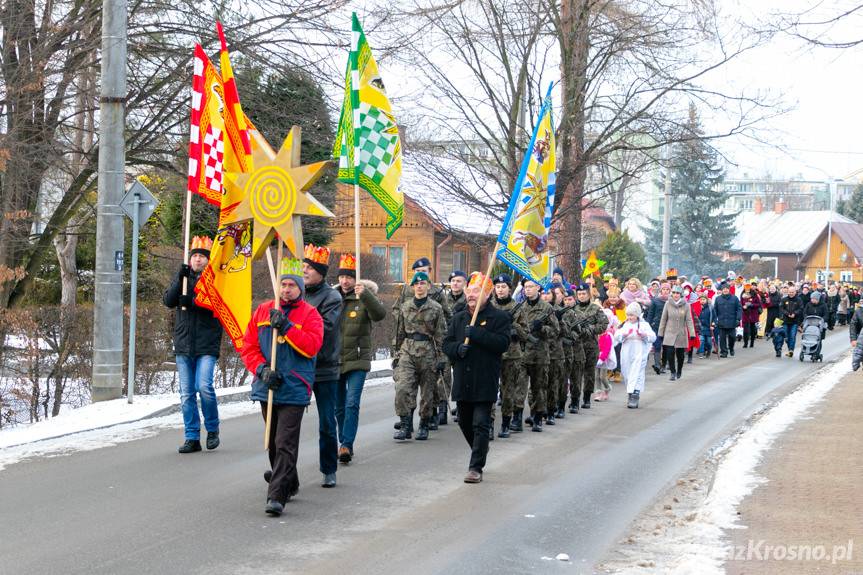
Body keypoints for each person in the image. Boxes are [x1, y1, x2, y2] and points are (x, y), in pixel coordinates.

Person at [241, 258, 323, 516]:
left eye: (291, 285)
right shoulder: (263, 311)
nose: (286, 289)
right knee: (273, 442)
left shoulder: (310, 314)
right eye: (283, 284)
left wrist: (286, 327)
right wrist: (261, 370)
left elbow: (312, 346)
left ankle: (276, 495)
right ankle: (290, 481)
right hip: (268, 385)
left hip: (295, 386)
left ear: (300, 288)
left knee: (285, 441)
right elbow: (249, 346)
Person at [443, 273, 510, 483]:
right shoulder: (458, 318)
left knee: (481, 423)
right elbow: (446, 343)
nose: (471, 295)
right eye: (469, 291)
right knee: (464, 422)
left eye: (477, 291)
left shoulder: (499, 317)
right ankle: (480, 448)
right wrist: (457, 349)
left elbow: (502, 344)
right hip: (463, 378)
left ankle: (475, 467)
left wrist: (477, 334)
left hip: (485, 378)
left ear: (487, 294)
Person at [163, 236, 223, 454]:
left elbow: (217, 304)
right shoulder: (184, 277)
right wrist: (180, 279)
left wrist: (194, 302)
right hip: (184, 343)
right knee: (187, 393)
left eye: (202, 256)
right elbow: (168, 300)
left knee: (204, 386)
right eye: (195, 256)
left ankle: (212, 428)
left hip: (207, 343)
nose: (198, 259)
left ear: (208, 260)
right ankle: (192, 436)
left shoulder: (215, 279)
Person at [334, 253, 387, 464]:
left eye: (349, 277)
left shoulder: (364, 297)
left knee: (351, 403)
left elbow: (379, 315)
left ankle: (346, 444)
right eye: (342, 277)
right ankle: (344, 442)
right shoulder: (333, 298)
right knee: (338, 407)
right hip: (335, 359)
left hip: (358, 358)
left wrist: (365, 295)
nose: (345, 281)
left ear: (356, 279)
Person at [302, 244, 343, 488]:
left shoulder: (332, 298)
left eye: (309, 267)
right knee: (288, 423)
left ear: (320, 271)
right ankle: (285, 473)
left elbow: (324, 330)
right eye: (303, 266)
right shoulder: (296, 293)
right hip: (299, 367)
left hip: (325, 367)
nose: (304, 271)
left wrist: (293, 327)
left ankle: (329, 469)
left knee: (327, 421)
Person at [392, 271, 447, 441]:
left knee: (427, 391)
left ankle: (424, 423)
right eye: (416, 284)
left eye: (423, 284)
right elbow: (399, 332)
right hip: (407, 349)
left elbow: (441, 334)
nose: (419, 286)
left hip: (428, 351)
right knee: (402, 388)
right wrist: (396, 355)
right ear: (413, 287)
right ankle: (405, 424)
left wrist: (442, 358)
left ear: (428, 286)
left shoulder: (436, 308)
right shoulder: (405, 306)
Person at [490, 274, 529, 437]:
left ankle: (506, 423)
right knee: (490, 390)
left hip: (511, 355)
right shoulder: (489, 306)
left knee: (508, 391)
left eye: (503, 287)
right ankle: (489, 424)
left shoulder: (518, 308)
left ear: (509, 289)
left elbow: (525, 333)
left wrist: (513, 326)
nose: (500, 290)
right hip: (491, 352)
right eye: (498, 287)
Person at [520, 278, 559, 431]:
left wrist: (542, 328)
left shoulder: (547, 308)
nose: (528, 289)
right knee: (519, 388)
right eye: (526, 287)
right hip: (522, 353)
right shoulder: (520, 307)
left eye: (531, 286)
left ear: (538, 288)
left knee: (539, 387)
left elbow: (555, 330)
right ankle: (516, 417)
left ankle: (537, 417)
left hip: (540, 354)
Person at [562, 282, 608, 410]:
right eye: (579, 294)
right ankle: (574, 399)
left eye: (584, 294)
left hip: (590, 346)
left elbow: (603, 325)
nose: (581, 296)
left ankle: (587, 398)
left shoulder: (595, 309)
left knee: (589, 374)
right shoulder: (573, 309)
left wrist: (590, 328)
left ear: (589, 294)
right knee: (575, 375)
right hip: (576, 345)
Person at [438, 270, 467, 425]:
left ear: (465, 283)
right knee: (444, 376)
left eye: (459, 281)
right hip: (446, 342)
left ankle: (462, 410)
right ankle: (442, 411)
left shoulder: (469, 300)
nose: (455, 284)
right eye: (453, 281)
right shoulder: (442, 299)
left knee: (461, 376)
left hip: (461, 343)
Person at [615, 302, 656, 409]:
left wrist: (644, 335)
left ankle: (635, 395)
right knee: (627, 372)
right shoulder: (625, 324)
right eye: (628, 315)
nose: (630, 317)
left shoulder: (644, 325)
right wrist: (623, 335)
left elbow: (653, 337)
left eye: (632, 315)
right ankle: (630, 393)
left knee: (637, 372)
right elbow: (617, 335)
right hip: (627, 352)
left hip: (639, 351)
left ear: (637, 315)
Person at [658, 285, 696, 381]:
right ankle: (673, 372)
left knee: (680, 355)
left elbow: (689, 320)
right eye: (674, 293)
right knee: (670, 353)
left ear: (681, 294)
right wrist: (660, 333)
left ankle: (679, 370)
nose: (675, 295)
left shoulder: (686, 305)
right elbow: (663, 319)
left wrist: (692, 333)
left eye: (677, 293)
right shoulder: (667, 304)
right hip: (669, 332)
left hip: (681, 333)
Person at [594, 308, 618, 402]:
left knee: (602, 377)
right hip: (596, 357)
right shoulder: (597, 334)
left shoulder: (607, 335)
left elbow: (607, 349)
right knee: (596, 376)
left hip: (604, 359)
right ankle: (598, 392)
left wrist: (602, 358)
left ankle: (607, 388)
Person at [713, 282, 742, 358]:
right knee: (722, 338)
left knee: (732, 337)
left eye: (726, 289)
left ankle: (731, 348)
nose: (725, 290)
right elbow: (715, 310)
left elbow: (739, 309)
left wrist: (738, 319)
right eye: (724, 289)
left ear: (729, 289)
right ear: (721, 290)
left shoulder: (735, 298)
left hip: (732, 322)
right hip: (721, 322)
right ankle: (724, 352)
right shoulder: (718, 299)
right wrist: (714, 320)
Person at [646, 283, 670, 373]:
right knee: (657, 345)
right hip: (657, 325)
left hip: (668, 326)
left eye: (667, 289)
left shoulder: (672, 301)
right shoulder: (655, 301)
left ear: (670, 291)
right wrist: (648, 325)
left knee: (667, 345)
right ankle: (657, 365)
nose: (665, 291)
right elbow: (650, 314)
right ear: (661, 290)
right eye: (663, 289)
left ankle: (664, 364)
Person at [780, 284, 804, 357]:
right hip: (785, 321)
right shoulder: (784, 299)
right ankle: (789, 348)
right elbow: (781, 308)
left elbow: (801, 308)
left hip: (795, 321)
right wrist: (787, 314)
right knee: (786, 337)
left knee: (792, 336)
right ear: (788, 292)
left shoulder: (799, 300)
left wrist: (794, 313)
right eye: (790, 292)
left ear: (795, 292)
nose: (791, 293)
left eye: (792, 292)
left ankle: (791, 350)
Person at [740, 284, 763, 349]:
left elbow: (758, 304)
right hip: (745, 314)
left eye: (748, 288)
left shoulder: (754, 295)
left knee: (753, 329)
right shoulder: (742, 295)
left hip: (753, 314)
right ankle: (745, 343)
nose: (747, 289)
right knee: (745, 330)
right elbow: (740, 304)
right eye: (746, 288)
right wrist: (743, 307)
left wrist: (751, 305)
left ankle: (752, 342)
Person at [696, 294, 714, 359]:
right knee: (701, 340)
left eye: (704, 299)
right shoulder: (697, 307)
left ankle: (709, 350)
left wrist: (713, 325)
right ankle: (701, 352)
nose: (702, 301)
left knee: (709, 342)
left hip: (708, 327)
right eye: (701, 299)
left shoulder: (710, 307)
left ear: (706, 300)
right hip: (700, 327)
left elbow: (714, 317)